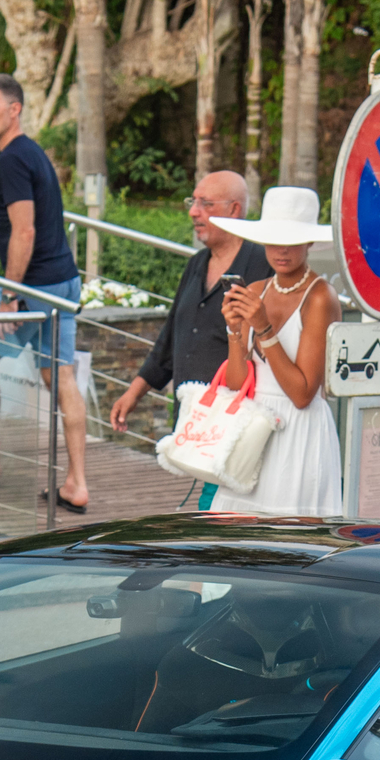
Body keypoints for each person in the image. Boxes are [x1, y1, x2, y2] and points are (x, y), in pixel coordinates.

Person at [0, 74, 90, 513]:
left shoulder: (13, 160)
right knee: (60, 375)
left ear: (16, 109)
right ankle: (77, 484)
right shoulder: (33, 155)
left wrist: (11, 295)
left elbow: (24, 230)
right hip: (62, 281)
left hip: (33, 286)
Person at [108, 169, 270, 508]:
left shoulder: (263, 263)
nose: (193, 212)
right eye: (192, 202)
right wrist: (134, 392)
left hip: (237, 421)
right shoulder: (197, 263)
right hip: (198, 421)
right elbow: (172, 336)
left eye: (205, 203)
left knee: (218, 511)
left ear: (235, 209)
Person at [210, 186, 343, 516]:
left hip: (298, 431)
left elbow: (302, 394)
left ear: (309, 242)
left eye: (293, 241)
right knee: (235, 538)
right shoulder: (256, 290)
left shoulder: (320, 296)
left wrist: (264, 327)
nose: (282, 250)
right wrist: (233, 329)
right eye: (273, 239)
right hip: (254, 429)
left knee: (289, 539)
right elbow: (238, 384)